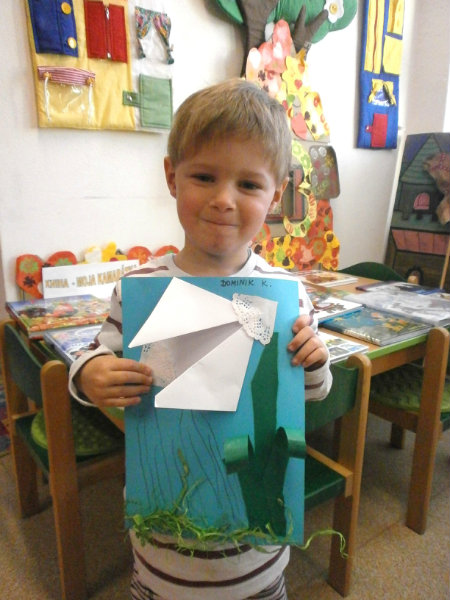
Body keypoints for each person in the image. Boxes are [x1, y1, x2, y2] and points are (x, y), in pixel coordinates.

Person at [69, 78, 332, 600]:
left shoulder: (287, 295)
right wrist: (90, 375)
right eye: (204, 177)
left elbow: (312, 391)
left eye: (249, 185)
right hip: (162, 558)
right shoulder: (139, 290)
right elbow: (94, 358)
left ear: (276, 194)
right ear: (172, 177)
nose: (223, 200)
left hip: (258, 562)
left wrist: (315, 362)